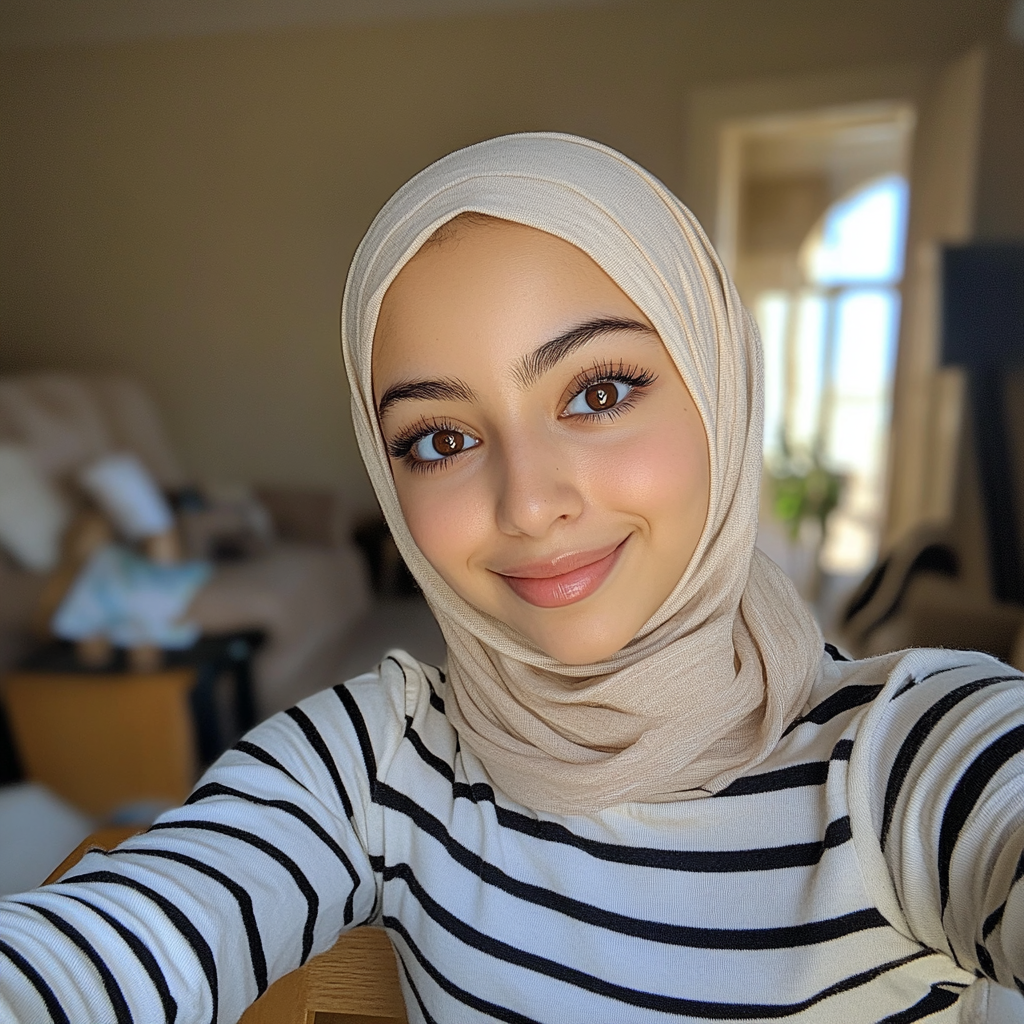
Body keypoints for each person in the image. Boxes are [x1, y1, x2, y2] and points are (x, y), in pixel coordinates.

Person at [2, 132, 1023, 1024]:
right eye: (439, 437)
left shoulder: (907, 763)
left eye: (599, 389)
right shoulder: (380, 762)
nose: (529, 503)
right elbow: (123, 936)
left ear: (721, 385)